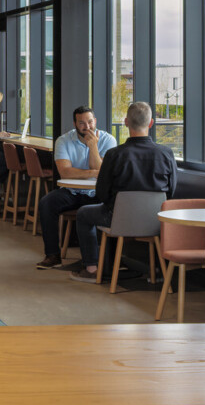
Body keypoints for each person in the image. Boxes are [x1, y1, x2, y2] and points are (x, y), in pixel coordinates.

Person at [70, 101, 177, 281]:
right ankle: (159, 272)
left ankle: (91, 269)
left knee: (83, 214)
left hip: (117, 219)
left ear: (126, 122)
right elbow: (171, 192)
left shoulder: (114, 155)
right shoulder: (166, 154)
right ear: (151, 123)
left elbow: (102, 194)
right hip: (156, 221)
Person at [35, 106, 118, 270]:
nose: (87, 127)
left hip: (98, 193)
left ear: (95, 121)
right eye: (82, 123)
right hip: (72, 192)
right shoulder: (63, 141)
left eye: (90, 121)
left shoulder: (109, 140)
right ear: (74, 124)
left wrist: (93, 146)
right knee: (47, 203)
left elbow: (103, 175)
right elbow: (65, 172)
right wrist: (94, 172)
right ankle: (52, 255)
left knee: (110, 207)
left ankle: (101, 261)